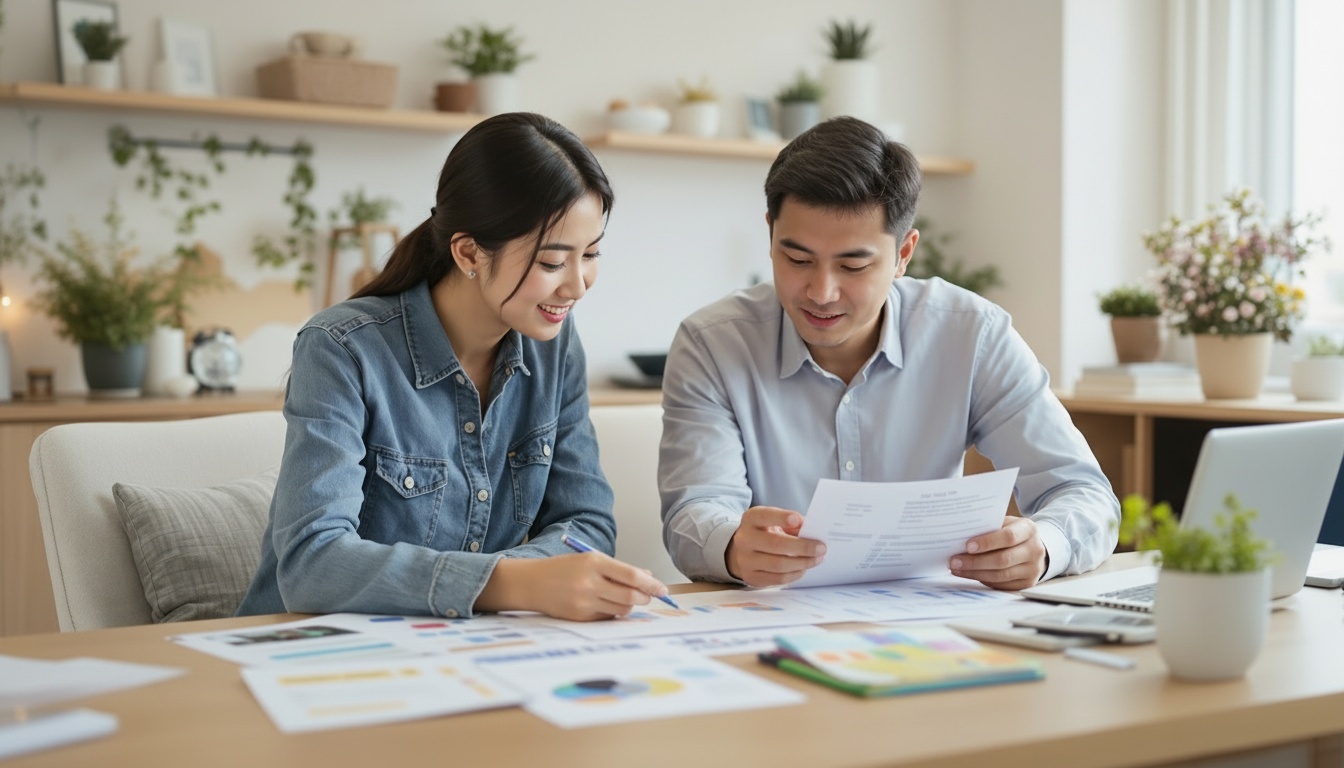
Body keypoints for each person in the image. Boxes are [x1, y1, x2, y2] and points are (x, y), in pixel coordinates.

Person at [238, 112, 672, 622]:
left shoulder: (553, 345)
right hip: (307, 651)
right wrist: (515, 582)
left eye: (591, 254)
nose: (577, 285)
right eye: (553, 262)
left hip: (462, 648)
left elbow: (586, 524)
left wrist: (512, 584)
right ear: (469, 251)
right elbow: (312, 565)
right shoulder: (341, 349)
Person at [658, 117, 1118, 591]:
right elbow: (693, 513)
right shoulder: (712, 344)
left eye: (853, 265)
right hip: (770, 621)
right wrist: (733, 545)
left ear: (904, 254)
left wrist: (1044, 545)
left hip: (932, 627)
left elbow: (1082, 492)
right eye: (797, 260)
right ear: (770, 232)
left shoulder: (972, 335)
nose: (821, 291)